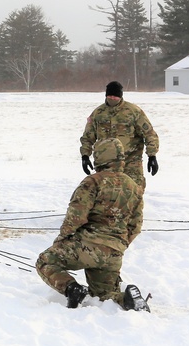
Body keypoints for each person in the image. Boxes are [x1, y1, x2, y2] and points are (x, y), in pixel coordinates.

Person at [35, 137, 150, 311]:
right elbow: (135, 225)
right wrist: (120, 244)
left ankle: (73, 289)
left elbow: (75, 217)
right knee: (104, 296)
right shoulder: (133, 187)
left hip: (87, 247)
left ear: (101, 156)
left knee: (45, 261)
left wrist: (61, 239)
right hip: (113, 254)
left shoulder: (93, 182)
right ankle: (129, 300)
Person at [80, 80, 159, 191]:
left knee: (133, 193)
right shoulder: (98, 113)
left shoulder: (133, 112)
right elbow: (88, 137)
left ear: (120, 97)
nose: (112, 98)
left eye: (115, 96)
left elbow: (149, 134)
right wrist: (85, 156)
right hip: (105, 163)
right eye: (110, 96)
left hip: (130, 161)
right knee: (106, 194)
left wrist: (152, 156)